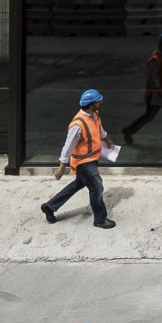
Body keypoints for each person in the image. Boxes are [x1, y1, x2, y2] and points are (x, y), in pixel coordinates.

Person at [40, 89, 115, 228]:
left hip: (92, 158)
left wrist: (106, 138)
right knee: (97, 188)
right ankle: (100, 219)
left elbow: (99, 129)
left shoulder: (94, 115)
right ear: (91, 104)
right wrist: (62, 167)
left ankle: (50, 207)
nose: (101, 102)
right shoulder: (77, 125)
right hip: (84, 162)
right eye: (98, 101)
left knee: (78, 184)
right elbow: (67, 147)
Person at [123, 33, 162, 148]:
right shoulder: (154, 60)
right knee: (148, 117)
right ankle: (128, 131)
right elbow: (152, 79)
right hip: (157, 95)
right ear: (161, 45)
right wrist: (159, 91)